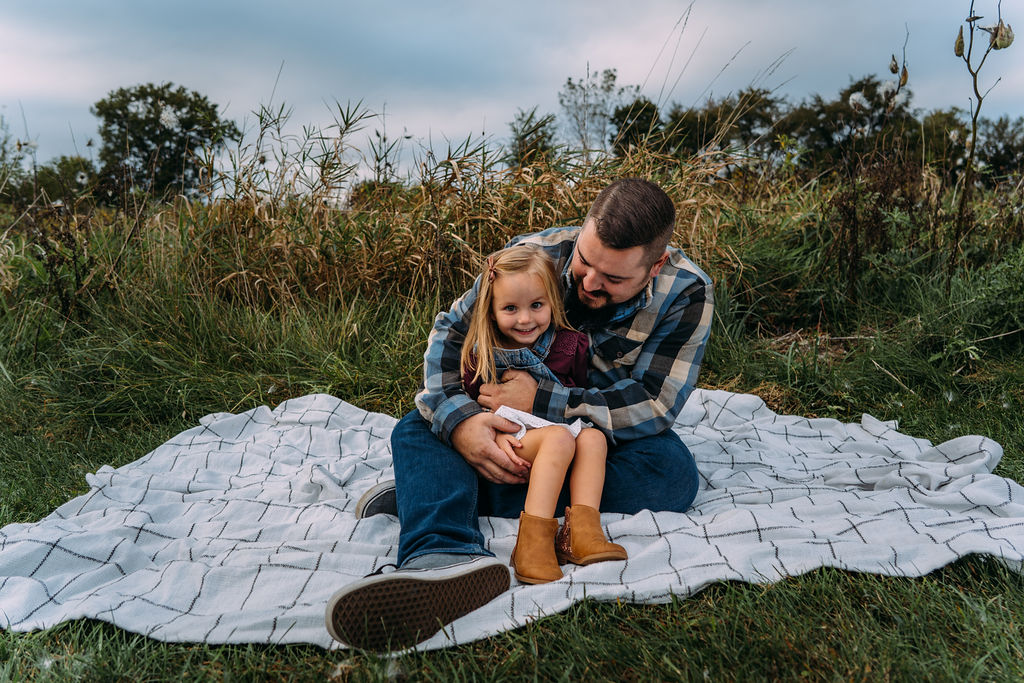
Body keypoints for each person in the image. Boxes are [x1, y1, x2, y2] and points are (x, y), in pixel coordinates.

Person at [326, 177, 714, 651]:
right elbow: (451, 334)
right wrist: (466, 423)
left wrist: (545, 400)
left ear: (654, 266)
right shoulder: (534, 256)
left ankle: (436, 488)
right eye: (585, 263)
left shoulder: (687, 293)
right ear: (585, 229)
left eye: (613, 279)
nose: (589, 283)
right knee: (418, 428)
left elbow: (654, 403)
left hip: (598, 426)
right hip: (515, 426)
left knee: (672, 475)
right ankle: (442, 553)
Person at [459, 243, 627, 585]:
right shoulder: (484, 352)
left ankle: (581, 532)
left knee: (594, 438)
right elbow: (474, 408)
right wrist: (496, 435)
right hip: (512, 436)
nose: (525, 319)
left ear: (552, 301)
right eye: (510, 308)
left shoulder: (569, 345)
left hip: (556, 424)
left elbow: (575, 397)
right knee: (560, 439)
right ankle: (531, 544)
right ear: (491, 311)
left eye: (537, 305)